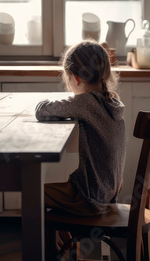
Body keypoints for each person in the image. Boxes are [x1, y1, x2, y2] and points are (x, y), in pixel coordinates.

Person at [35, 40, 126, 219]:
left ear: (76, 78)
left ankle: (54, 246)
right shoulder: (112, 101)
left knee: (34, 193)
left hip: (89, 198)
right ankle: (62, 240)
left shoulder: (85, 103)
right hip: (109, 193)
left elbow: (42, 110)